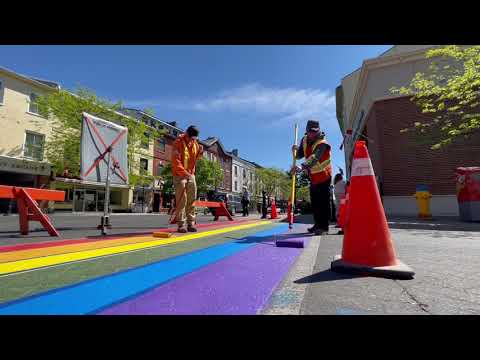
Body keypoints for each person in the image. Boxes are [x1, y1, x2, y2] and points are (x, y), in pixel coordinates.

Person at [291, 120, 332, 235]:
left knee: (323, 202)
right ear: (307, 131)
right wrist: (294, 150)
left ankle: (324, 227)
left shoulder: (322, 143)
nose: (312, 134)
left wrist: (302, 166)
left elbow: (314, 158)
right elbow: (299, 155)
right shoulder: (304, 140)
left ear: (318, 130)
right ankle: (317, 224)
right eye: (310, 131)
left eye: (315, 131)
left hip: (324, 175)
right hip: (313, 176)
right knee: (315, 202)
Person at [171, 125, 204, 233]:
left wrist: (201, 152)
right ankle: (181, 225)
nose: (192, 140)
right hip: (179, 174)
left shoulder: (195, 143)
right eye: (190, 138)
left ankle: (191, 223)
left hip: (191, 175)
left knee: (192, 199)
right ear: (186, 134)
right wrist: (184, 173)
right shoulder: (178, 142)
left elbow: (196, 158)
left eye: (194, 139)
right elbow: (176, 161)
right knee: (182, 200)